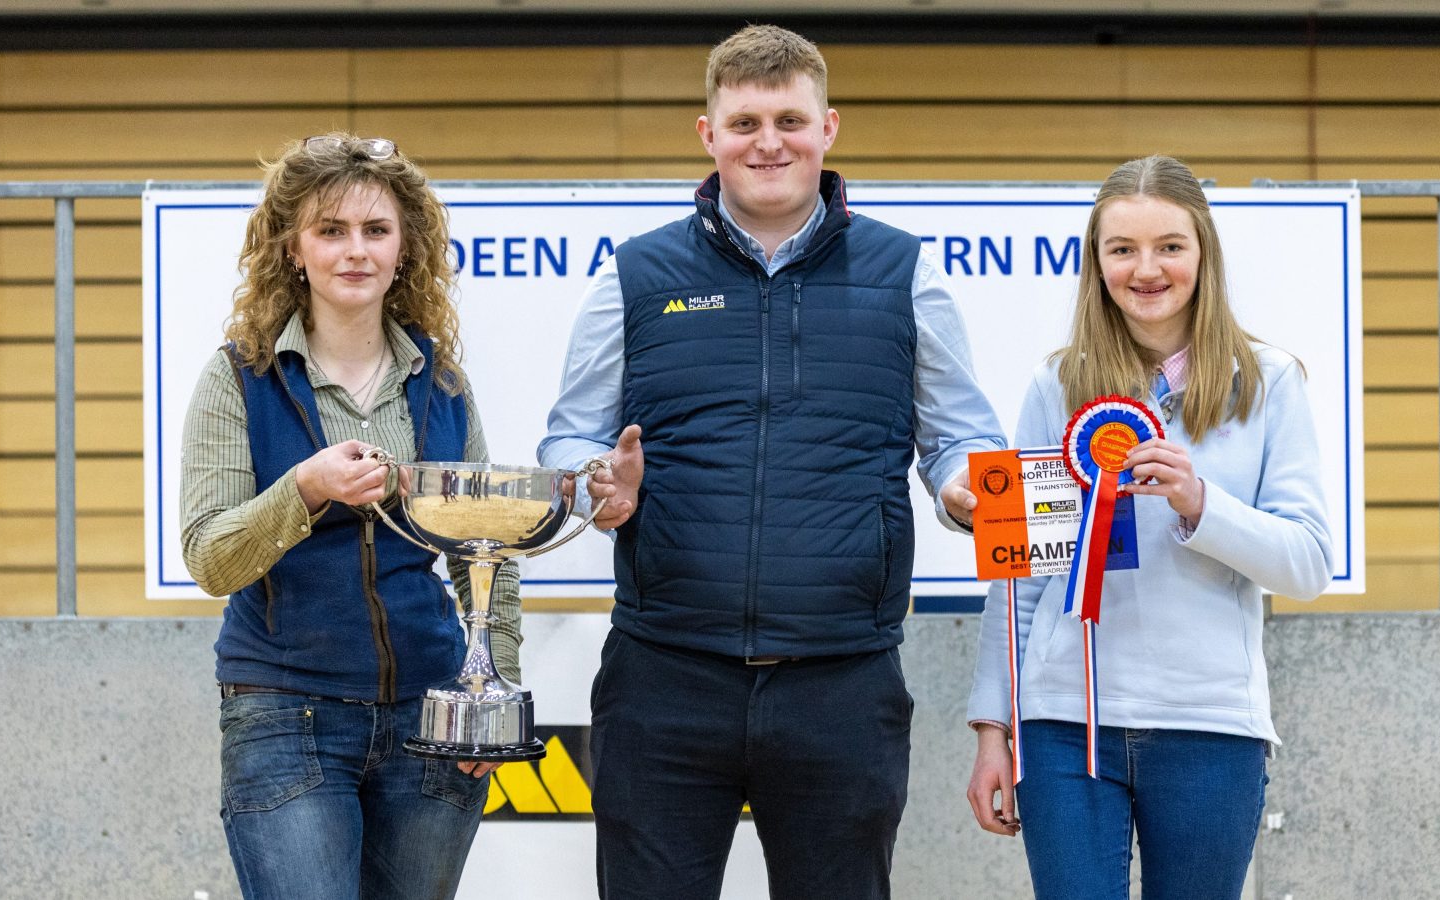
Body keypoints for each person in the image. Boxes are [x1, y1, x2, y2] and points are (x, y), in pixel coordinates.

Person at [538, 24, 1005, 900]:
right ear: (708, 134)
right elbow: (570, 436)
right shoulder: (634, 276)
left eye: (789, 120)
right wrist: (597, 482)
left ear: (828, 128)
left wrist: (961, 489)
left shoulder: (905, 274)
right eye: (745, 123)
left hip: (843, 684)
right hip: (663, 678)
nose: (768, 143)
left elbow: (958, 436)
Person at [964, 155, 1334, 899]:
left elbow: (1308, 563)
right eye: (1122, 249)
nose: (1146, 269)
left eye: (1169, 246)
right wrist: (992, 728)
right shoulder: (1056, 384)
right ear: (1096, 263)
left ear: (1204, 253)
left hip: (1210, 727)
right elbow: (1021, 576)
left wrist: (1201, 504)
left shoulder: (1270, 382)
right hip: (1064, 725)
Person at [180, 132, 519, 900]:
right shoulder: (238, 378)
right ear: (293, 249)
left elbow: (485, 552)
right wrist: (305, 488)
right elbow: (210, 558)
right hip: (284, 714)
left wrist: (491, 694)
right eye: (330, 230)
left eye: (376, 229)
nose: (355, 250)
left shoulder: (443, 384)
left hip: (431, 714)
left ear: (404, 250)